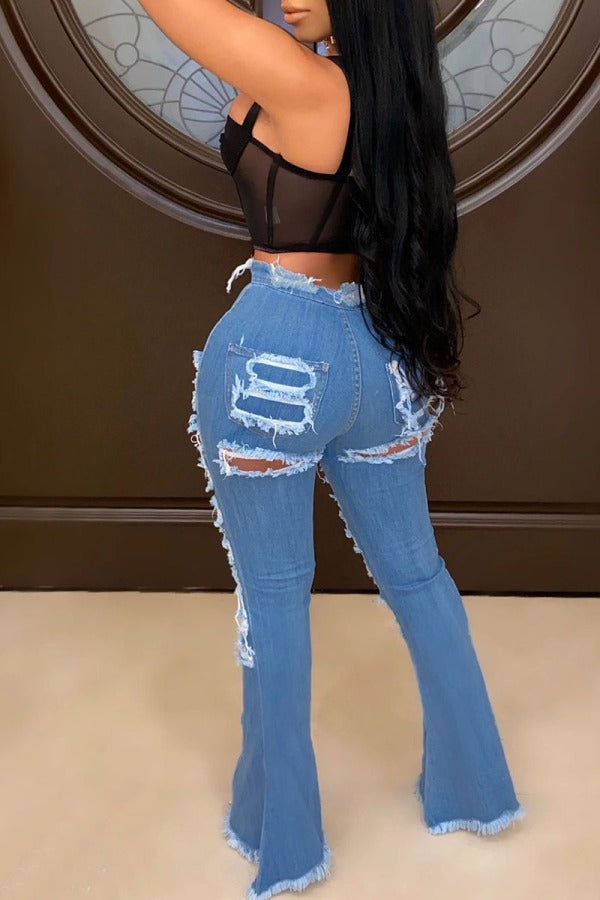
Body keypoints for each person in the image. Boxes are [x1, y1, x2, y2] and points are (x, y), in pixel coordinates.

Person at [139, 2, 526, 898]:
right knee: (419, 576)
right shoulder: (391, 90)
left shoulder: (307, 84)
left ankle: (281, 835)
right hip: (377, 356)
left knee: (274, 598)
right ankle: (475, 789)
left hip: (275, 355)